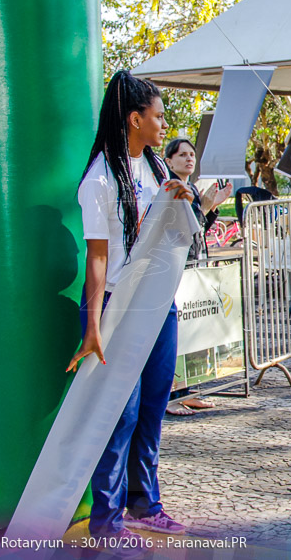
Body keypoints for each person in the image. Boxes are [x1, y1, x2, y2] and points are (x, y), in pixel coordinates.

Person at [70, 70, 195, 547]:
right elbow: (98, 257)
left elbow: (167, 231)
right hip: (117, 310)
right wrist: (95, 325)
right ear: (134, 118)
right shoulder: (102, 178)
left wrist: (187, 202)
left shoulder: (157, 169)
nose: (165, 125)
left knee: (151, 408)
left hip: (157, 306)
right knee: (117, 416)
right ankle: (107, 523)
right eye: (158, 117)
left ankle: (146, 505)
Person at [162, 138, 233, 416]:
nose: (189, 159)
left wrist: (213, 207)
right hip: (177, 266)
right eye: (182, 155)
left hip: (195, 262)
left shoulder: (190, 187)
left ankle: (187, 390)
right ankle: (173, 395)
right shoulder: (170, 188)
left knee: (191, 333)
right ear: (169, 161)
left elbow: (200, 228)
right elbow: (181, 227)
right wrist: (203, 208)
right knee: (177, 334)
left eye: (192, 154)